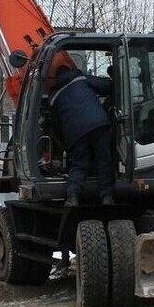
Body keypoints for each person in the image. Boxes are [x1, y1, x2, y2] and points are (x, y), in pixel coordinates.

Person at [50, 65, 115, 206]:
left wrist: (64, 142)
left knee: (79, 164)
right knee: (103, 160)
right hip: (98, 123)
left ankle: (73, 196)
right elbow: (106, 87)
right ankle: (107, 197)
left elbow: (55, 126)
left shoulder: (54, 96)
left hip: (75, 133)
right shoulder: (81, 79)